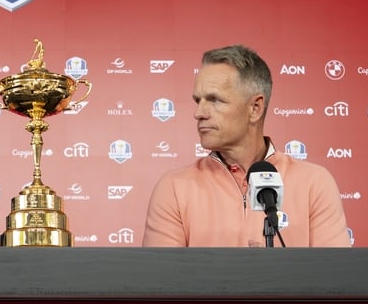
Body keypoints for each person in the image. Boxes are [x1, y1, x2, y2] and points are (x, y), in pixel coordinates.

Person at [142, 45, 350, 247]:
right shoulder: (174, 187)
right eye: (198, 100)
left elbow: (335, 277)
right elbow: (163, 281)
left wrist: (271, 276)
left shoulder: (314, 183)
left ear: (255, 108)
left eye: (214, 100)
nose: (199, 113)